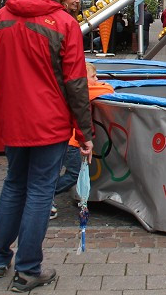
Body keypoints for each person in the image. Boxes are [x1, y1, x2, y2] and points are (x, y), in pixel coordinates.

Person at [0, 0, 93, 291]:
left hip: (12, 118)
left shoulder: (1, 16)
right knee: (40, 191)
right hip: (49, 120)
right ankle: (29, 268)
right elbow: (75, 82)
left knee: (14, 184)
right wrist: (84, 131)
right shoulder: (63, 23)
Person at [52, 63, 114, 219]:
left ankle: (44, 198)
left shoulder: (72, 88)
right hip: (72, 141)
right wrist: (100, 84)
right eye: (93, 76)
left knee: (53, 171)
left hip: (61, 137)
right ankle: (44, 195)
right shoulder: (85, 89)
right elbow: (108, 89)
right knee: (73, 173)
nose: (97, 79)